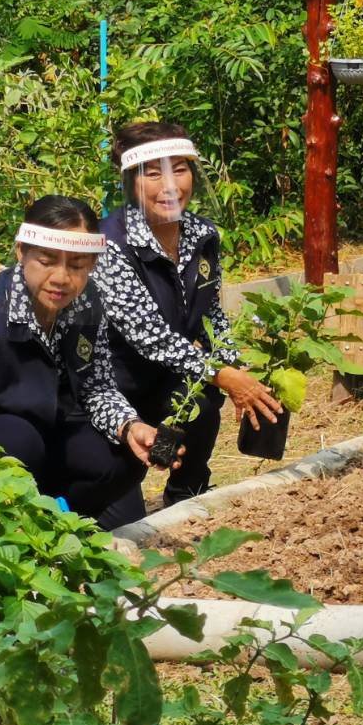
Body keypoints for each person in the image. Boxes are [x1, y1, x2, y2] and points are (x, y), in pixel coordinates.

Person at [0, 196, 167, 526]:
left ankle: (59, 524)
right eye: (47, 261)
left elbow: (96, 389)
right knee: (16, 436)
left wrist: (131, 426)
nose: (61, 277)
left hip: (39, 434)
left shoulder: (86, 307)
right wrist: (2, 488)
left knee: (119, 454)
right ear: (21, 252)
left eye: (76, 265)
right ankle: (3, 526)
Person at [93, 122, 281, 523]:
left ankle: (185, 494)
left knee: (200, 402)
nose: (170, 185)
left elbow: (210, 313)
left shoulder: (201, 235)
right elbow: (148, 336)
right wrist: (224, 374)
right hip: (113, 389)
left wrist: (236, 369)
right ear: (130, 182)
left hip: (168, 379)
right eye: (153, 173)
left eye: (179, 169)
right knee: (118, 518)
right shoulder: (111, 243)